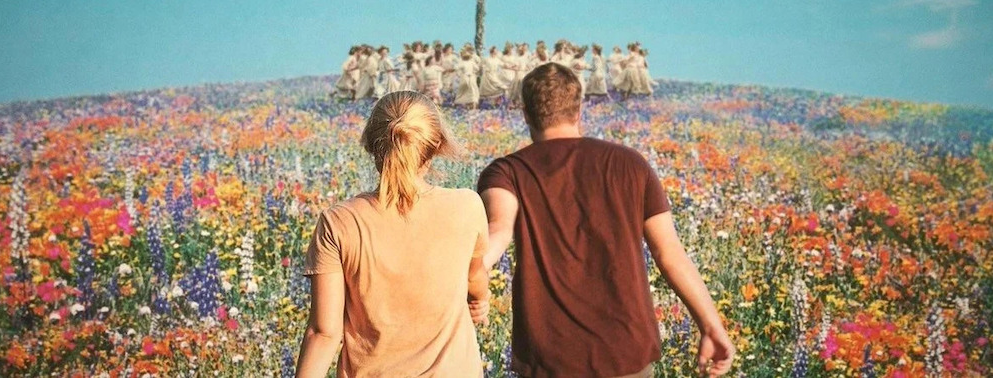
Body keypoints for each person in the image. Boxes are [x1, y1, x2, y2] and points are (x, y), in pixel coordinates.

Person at [477, 63, 734, 378]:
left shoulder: (506, 172)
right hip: (625, 351)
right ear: (578, 110)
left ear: (526, 113)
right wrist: (711, 326)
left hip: (550, 357)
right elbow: (670, 255)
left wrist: (473, 278)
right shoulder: (630, 164)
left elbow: (498, 233)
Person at [295, 91, 491, 378]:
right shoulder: (468, 206)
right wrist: (479, 300)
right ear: (436, 144)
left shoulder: (339, 222)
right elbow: (475, 277)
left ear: (372, 146)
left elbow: (324, 333)